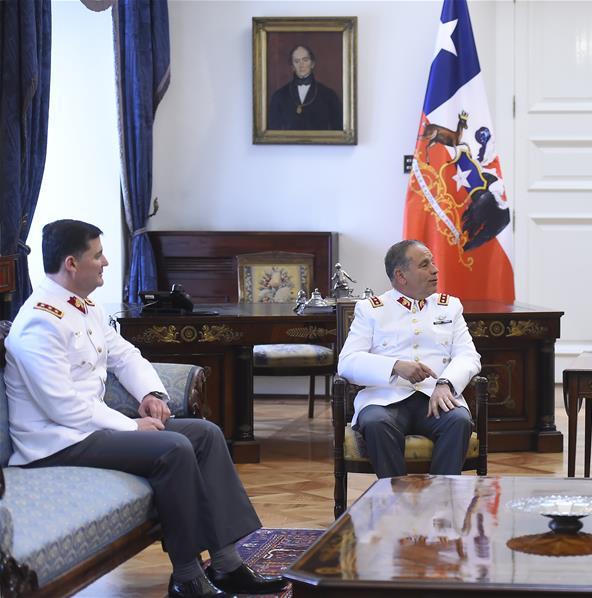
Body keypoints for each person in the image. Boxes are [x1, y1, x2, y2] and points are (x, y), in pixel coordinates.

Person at [3, 220, 286, 598]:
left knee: (206, 434)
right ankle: (187, 576)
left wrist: (151, 394)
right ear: (71, 263)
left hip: (88, 429)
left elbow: (125, 356)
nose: (105, 262)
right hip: (57, 442)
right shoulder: (40, 321)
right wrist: (132, 426)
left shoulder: (86, 307)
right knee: (174, 448)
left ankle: (227, 564)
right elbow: (63, 407)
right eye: (97, 255)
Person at [337, 240, 481, 478]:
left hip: (435, 396)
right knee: (376, 423)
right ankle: (395, 496)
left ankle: (442, 496)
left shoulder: (449, 307)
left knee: (459, 420)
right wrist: (394, 366)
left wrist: (446, 383)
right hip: (385, 400)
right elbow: (347, 362)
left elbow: (468, 355)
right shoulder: (371, 309)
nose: (435, 270)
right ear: (401, 276)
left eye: (432, 262)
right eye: (425, 265)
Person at [267, 44, 342, 131]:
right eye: (297, 61)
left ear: (312, 64)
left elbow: (338, 130)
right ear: (292, 66)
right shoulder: (279, 96)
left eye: (305, 60)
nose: (301, 65)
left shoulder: (329, 95)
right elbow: (273, 131)